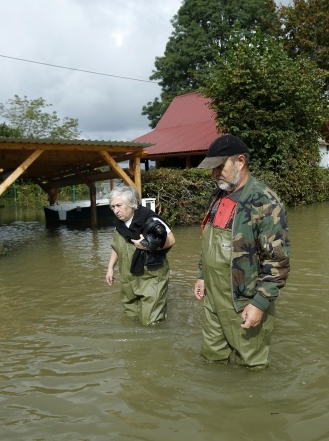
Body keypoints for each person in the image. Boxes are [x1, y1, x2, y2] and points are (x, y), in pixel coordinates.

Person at [192, 135, 290, 368]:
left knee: (251, 367)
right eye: (212, 168)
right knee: (211, 360)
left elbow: (278, 263)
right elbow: (208, 240)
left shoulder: (265, 202)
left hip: (244, 302)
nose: (215, 173)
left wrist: (259, 303)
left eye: (219, 166)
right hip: (212, 299)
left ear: (240, 161)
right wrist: (202, 275)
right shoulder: (217, 196)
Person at [106, 184, 175, 325]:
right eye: (113, 207)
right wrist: (110, 268)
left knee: (151, 321)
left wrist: (146, 245)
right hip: (128, 277)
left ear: (132, 204)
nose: (116, 211)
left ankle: (155, 345)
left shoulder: (151, 220)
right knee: (132, 318)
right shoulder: (119, 224)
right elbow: (116, 246)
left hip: (151, 276)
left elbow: (171, 240)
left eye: (119, 205)